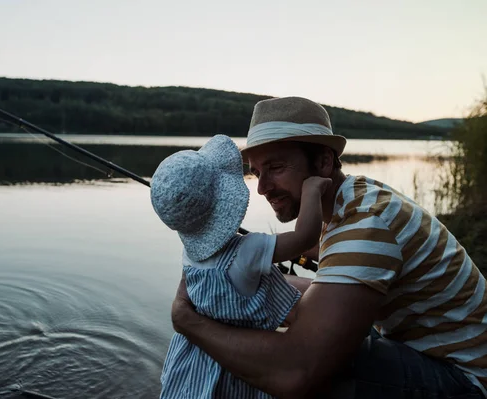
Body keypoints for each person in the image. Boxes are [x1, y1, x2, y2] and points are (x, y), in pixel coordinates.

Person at [170, 97, 487, 399]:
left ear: (323, 162)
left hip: (465, 379)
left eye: (276, 167)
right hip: (423, 352)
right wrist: (236, 280)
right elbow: (332, 291)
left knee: (313, 368)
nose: (263, 187)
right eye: (256, 172)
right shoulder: (350, 199)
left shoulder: (365, 221)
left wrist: (188, 321)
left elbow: (294, 374)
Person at [150, 134, 331, 398]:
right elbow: (305, 237)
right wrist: (312, 191)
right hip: (238, 365)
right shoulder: (249, 250)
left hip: (192, 363)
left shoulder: (191, 256)